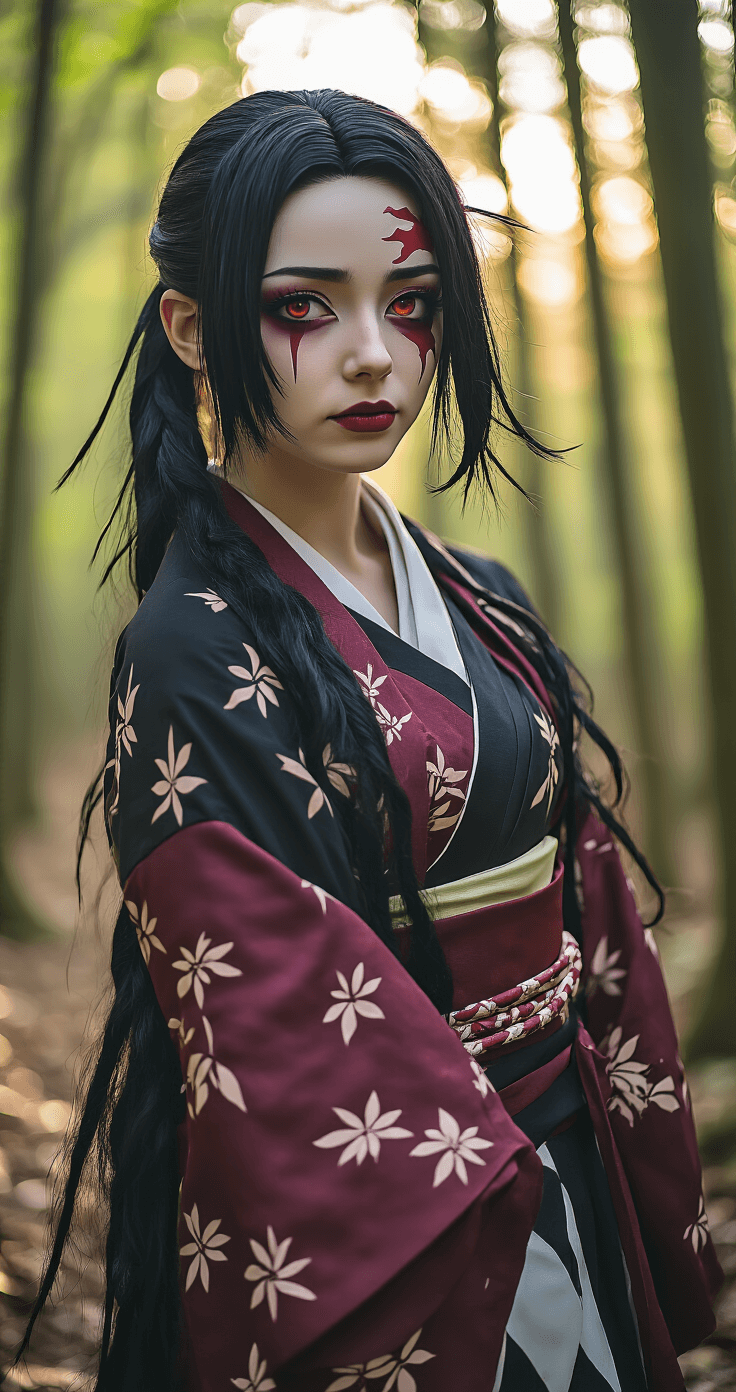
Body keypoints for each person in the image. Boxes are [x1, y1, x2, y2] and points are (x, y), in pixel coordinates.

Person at [20, 89, 720, 1392]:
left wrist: (620, 1166)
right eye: (306, 307)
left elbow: (595, 917)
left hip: (571, 1147)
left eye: (411, 304)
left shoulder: (487, 597)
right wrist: (511, 1214)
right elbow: (276, 1022)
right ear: (190, 327)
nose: (376, 356)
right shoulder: (188, 652)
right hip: (401, 1218)